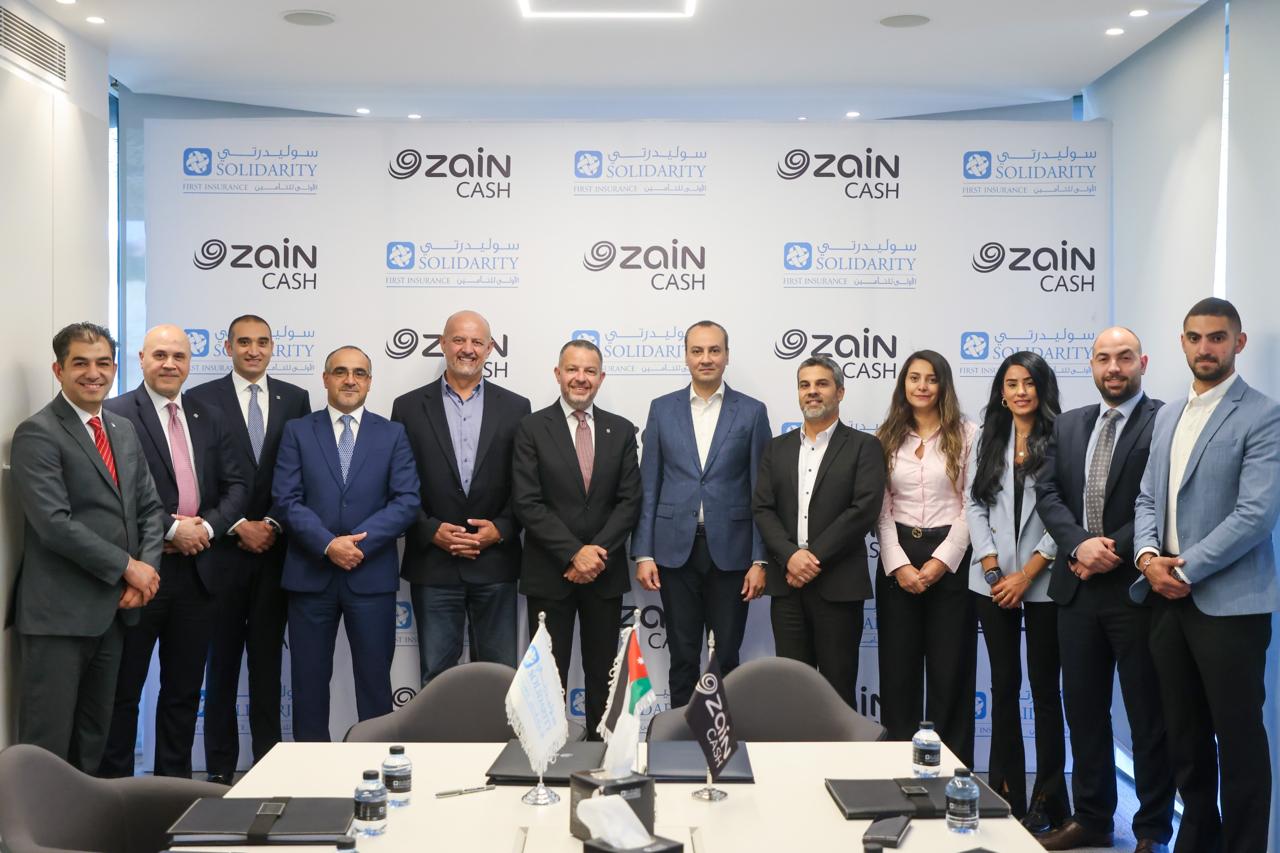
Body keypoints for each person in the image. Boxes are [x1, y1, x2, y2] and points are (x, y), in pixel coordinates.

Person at [1132, 298, 1280, 853]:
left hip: (1230, 604)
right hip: (1165, 597)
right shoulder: (1168, 414)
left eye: (1217, 337)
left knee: (1239, 741)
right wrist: (1148, 559)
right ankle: (1196, 840)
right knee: (1185, 737)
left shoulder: (1263, 415)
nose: (1205, 348)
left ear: (1238, 343)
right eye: (1194, 337)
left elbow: (1256, 515)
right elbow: (1147, 498)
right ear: (1182, 343)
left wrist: (1184, 568)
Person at [1035, 327, 1174, 852]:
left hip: (1135, 589)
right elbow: (1048, 493)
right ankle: (1092, 818)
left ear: (1143, 362)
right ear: (1091, 365)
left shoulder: (1165, 420)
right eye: (1102, 359)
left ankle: (1152, 830)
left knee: (1147, 716)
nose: (1113, 368)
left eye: (1124, 358)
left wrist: (1107, 548)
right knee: (1084, 712)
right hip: (1076, 589)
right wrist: (1078, 545)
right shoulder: (1069, 423)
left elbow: (1160, 498)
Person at [10, 323, 163, 774]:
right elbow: (54, 525)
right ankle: (38, 822)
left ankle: (82, 819)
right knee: (47, 747)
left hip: (113, 611)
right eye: (80, 363)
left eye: (102, 363)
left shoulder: (122, 428)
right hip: (58, 617)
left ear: (114, 369)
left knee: (93, 739)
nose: (93, 373)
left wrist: (145, 573)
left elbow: (150, 509)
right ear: (58, 370)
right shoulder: (37, 433)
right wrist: (128, 567)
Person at [99, 324, 248, 778]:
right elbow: (113, 493)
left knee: (183, 692)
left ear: (189, 362)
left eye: (179, 356)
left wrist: (206, 528)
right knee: (123, 691)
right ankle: (116, 792)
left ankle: (173, 789)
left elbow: (237, 486)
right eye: (160, 355)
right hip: (141, 572)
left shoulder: (209, 415)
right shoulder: (115, 413)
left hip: (199, 574)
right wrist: (171, 529)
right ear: (142, 359)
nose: (169, 364)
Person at [273, 346, 420, 741]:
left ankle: (374, 763)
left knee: (374, 684)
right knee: (308, 683)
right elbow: (286, 500)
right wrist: (327, 544)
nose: (350, 380)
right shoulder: (298, 431)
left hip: (369, 575)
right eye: (340, 372)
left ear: (370, 382)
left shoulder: (392, 434)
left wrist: (357, 545)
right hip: (310, 575)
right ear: (325, 379)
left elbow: (406, 501)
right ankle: (311, 769)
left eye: (359, 373)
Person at [186, 314, 310, 783]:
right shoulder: (200, 399)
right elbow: (196, 476)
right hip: (220, 552)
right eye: (244, 342)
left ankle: (267, 765)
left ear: (273, 346)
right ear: (229, 347)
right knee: (220, 664)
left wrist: (272, 523)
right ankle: (219, 769)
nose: (253, 350)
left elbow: (302, 471)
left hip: (276, 553)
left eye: (261, 342)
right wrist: (236, 524)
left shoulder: (295, 399)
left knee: (267, 664)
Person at [631, 320, 771, 708]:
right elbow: (649, 484)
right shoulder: (662, 409)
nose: (705, 358)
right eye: (697, 350)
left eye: (714, 350)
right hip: (674, 551)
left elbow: (761, 491)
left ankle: (721, 737)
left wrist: (760, 559)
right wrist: (643, 553)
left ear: (726, 355)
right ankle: (679, 735)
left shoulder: (752, 412)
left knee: (726, 656)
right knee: (682, 654)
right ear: (686, 356)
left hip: (733, 553)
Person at [511, 339, 642, 737]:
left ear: (601, 378)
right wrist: (573, 553)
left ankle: (602, 753)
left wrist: (594, 556)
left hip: (604, 573)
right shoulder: (532, 427)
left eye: (589, 371)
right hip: (550, 573)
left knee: (604, 673)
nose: (580, 378)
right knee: (548, 678)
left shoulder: (621, 429)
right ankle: (548, 755)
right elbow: (527, 502)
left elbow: (629, 501)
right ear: (558, 374)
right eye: (572, 369)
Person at [392, 310, 530, 684]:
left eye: (476, 342)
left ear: (489, 349)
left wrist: (500, 529)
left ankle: (494, 731)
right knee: (437, 678)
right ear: (442, 344)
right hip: (433, 563)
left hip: (495, 563)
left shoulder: (517, 407)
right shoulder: (407, 407)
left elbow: (526, 484)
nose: (467, 349)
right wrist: (430, 529)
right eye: (458, 340)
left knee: (499, 678)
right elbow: (399, 482)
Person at [964, 350, 1068, 832]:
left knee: (1045, 691)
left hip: (1044, 579)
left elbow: (1067, 512)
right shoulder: (988, 437)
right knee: (1003, 687)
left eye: (1029, 382)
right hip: (992, 583)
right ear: (1001, 393)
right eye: (1012, 383)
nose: (1021, 391)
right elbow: (974, 504)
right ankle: (1005, 791)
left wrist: (1027, 573)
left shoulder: (1064, 436)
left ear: (1042, 388)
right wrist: (991, 567)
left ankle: (1049, 799)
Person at [752, 355, 885, 708]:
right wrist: (790, 556)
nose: (812, 392)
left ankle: (838, 750)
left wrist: (810, 559)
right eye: (805, 385)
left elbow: (863, 510)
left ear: (840, 392)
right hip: (787, 586)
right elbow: (762, 508)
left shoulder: (864, 447)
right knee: (792, 689)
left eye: (822, 384)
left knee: (837, 689)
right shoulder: (776, 448)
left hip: (838, 586)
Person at [873, 350, 977, 767]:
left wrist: (941, 561)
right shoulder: (886, 435)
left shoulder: (967, 434)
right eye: (914, 378)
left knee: (951, 671)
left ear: (943, 385)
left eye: (931, 378)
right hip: (898, 558)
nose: (922, 386)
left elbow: (972, 505)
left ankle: (951, 770)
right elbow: (881, 509)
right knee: (898, 672)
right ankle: (900, 766)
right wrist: (899, 564)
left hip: (951, 560)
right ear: (903, 384)